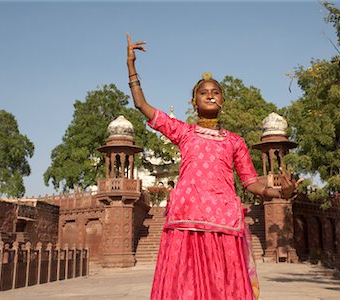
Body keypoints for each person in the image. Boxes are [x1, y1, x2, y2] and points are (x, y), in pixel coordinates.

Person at [126, 33, 303, 300]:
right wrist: (131, 67)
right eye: (203, 92)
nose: (210, 95)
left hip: (224, 221)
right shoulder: (184, 132)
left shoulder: (235, 141)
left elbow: (250, 182)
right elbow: (141, 105)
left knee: (224, 288)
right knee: (185, 288)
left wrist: (280, 193)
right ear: (193, 102)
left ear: (223, 100)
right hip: (187, 219)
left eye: (215, 92)